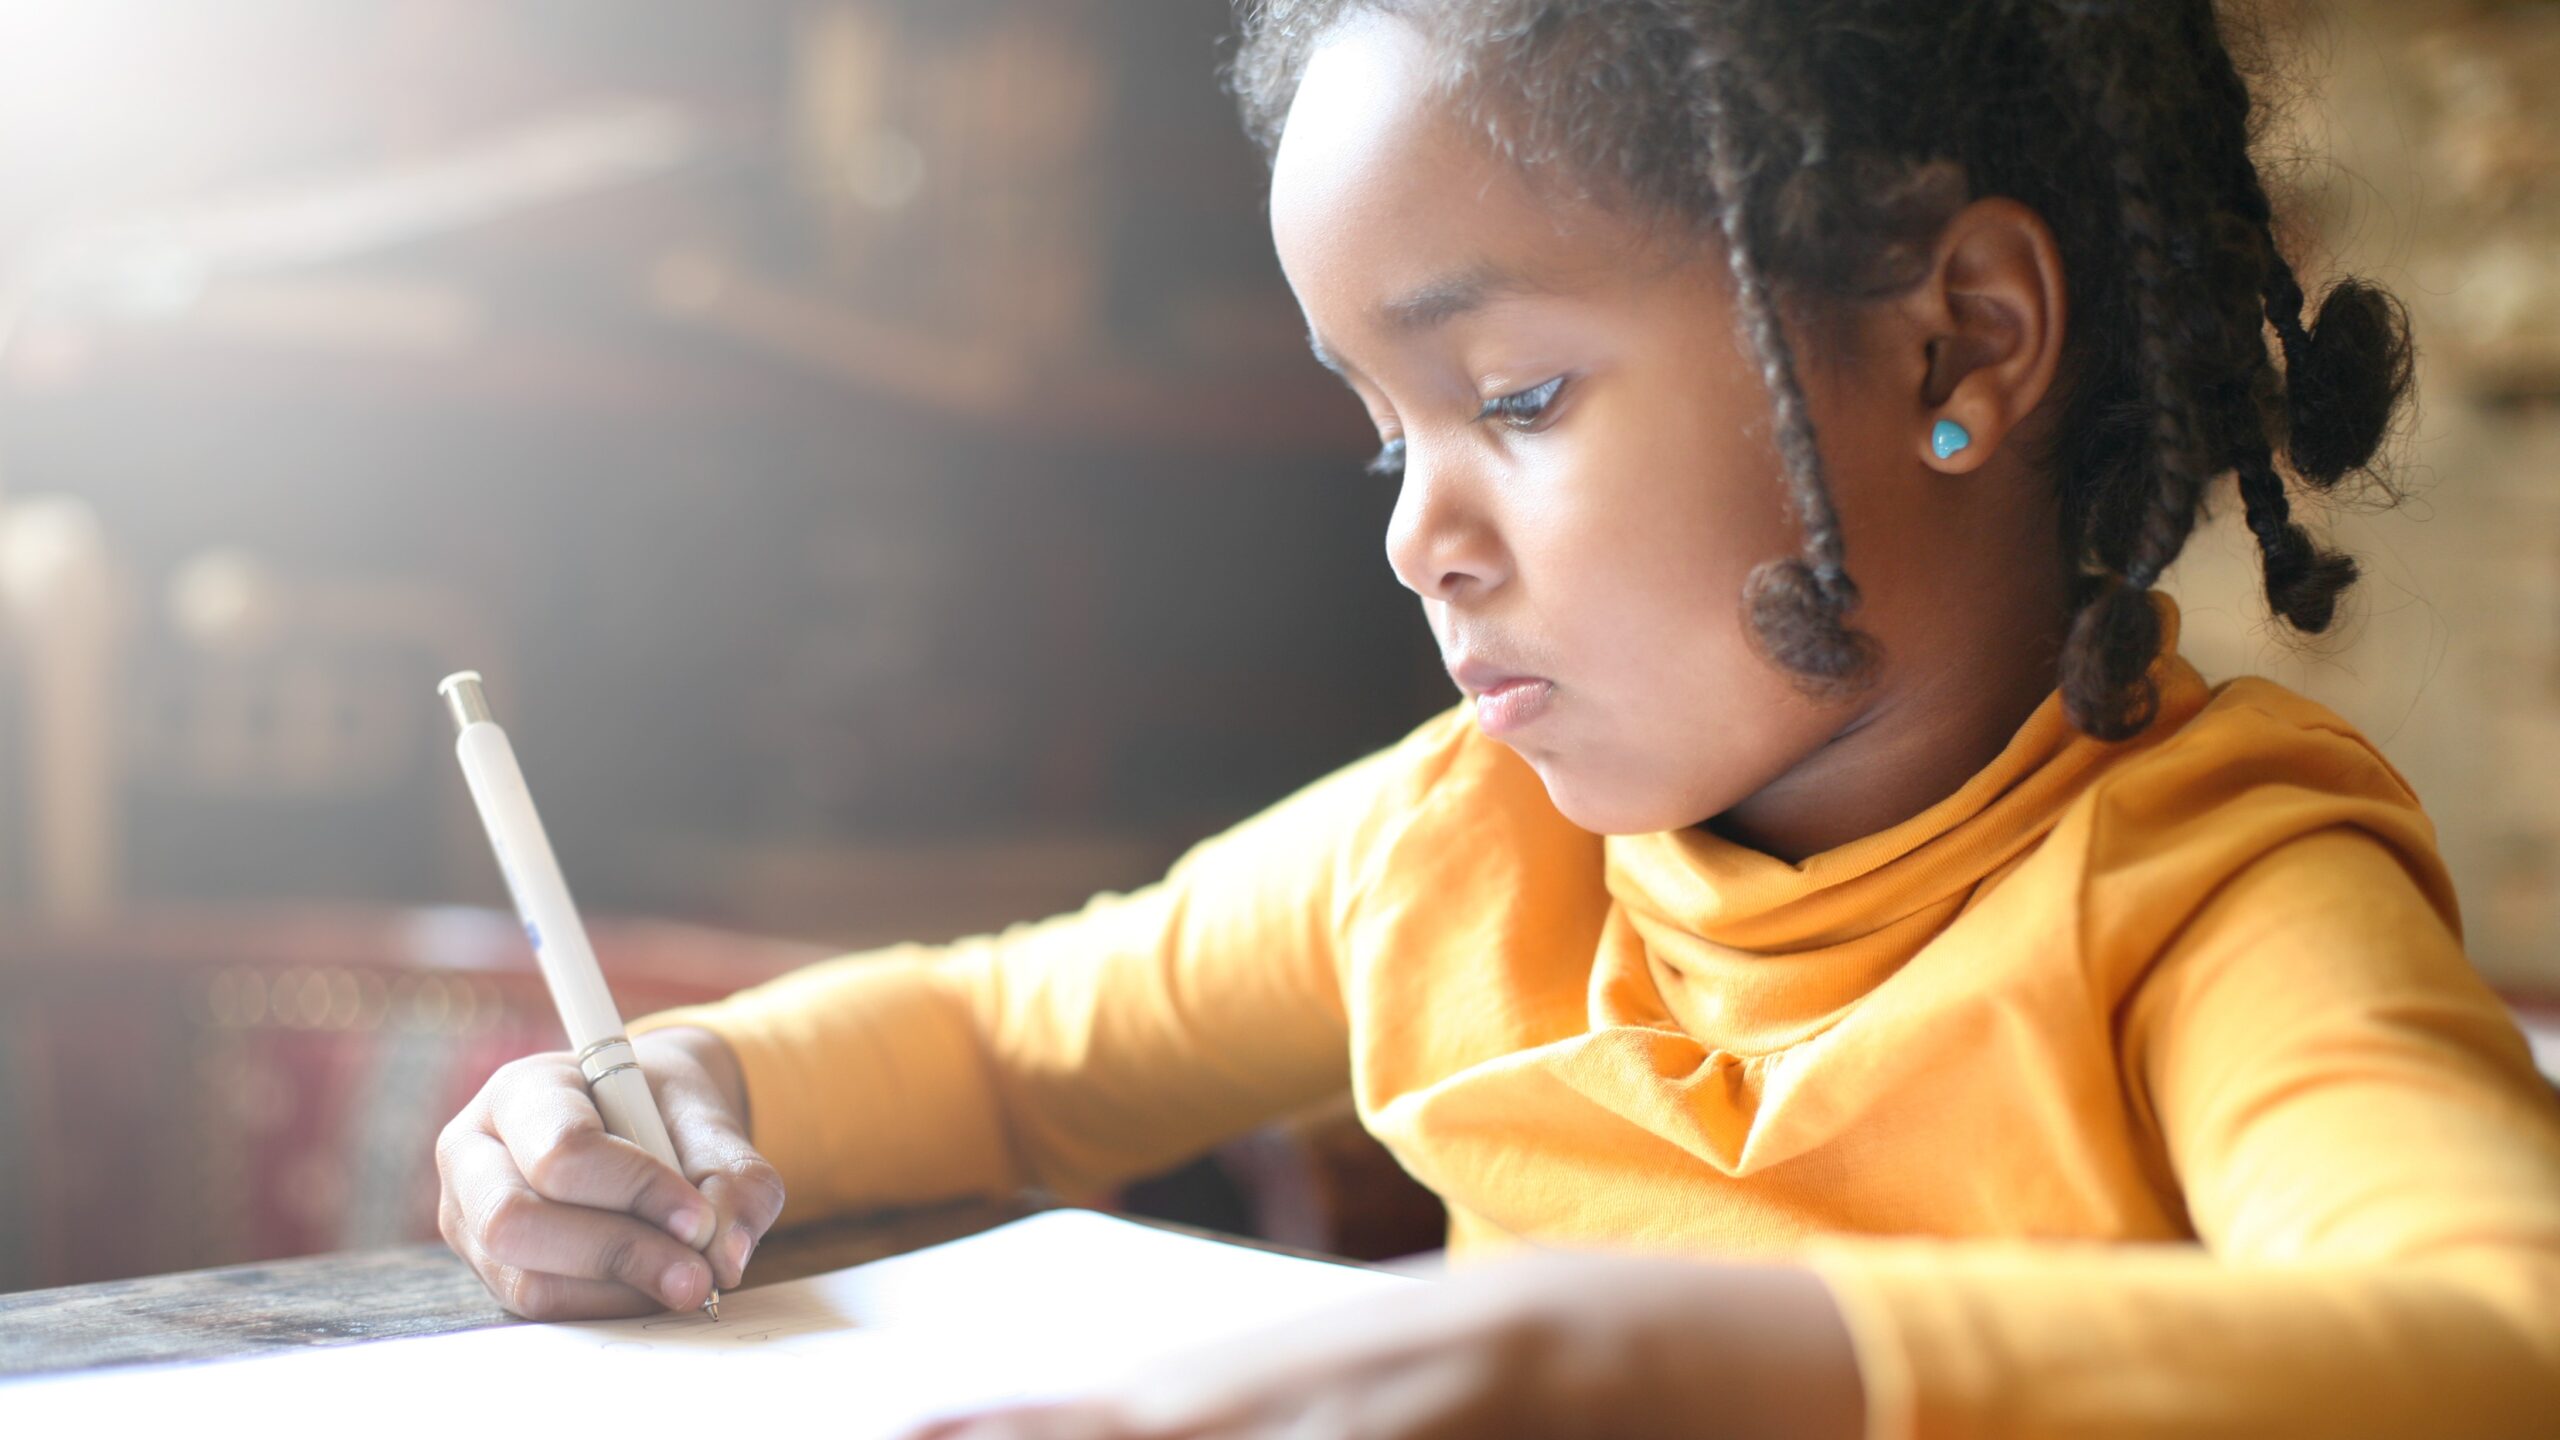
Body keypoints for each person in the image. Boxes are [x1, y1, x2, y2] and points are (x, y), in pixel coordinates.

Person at [434, 3, 2560, 1434]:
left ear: (1959, 340)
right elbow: (998, 1051)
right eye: (1383, 441)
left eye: (1513, 401)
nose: (1416, 540)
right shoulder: (1453, 851)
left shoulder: (2206, 894)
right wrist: (664, 1102)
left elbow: (2496, 1342)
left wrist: (1659, 1348)